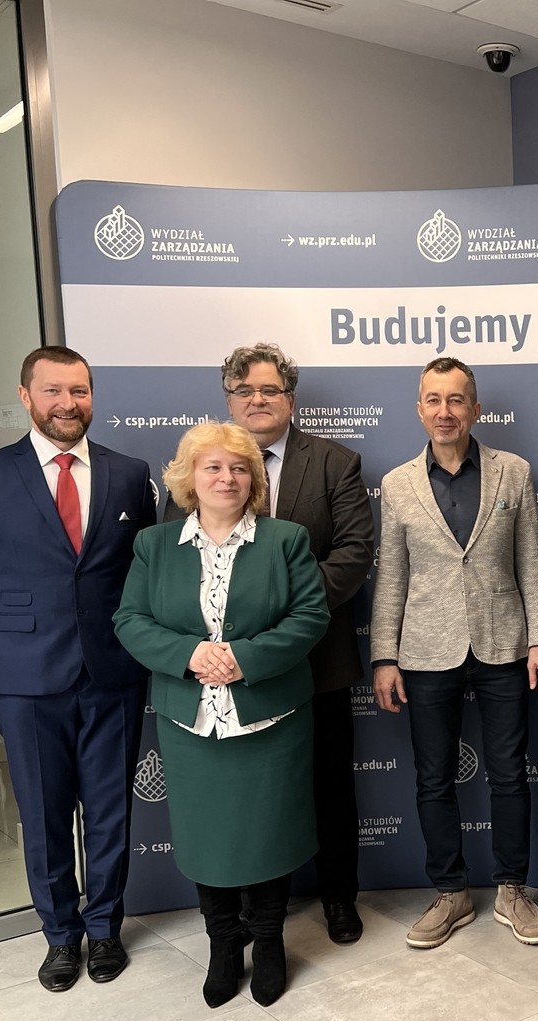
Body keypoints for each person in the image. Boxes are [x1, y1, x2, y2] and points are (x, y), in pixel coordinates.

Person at [0, 346, 155, 992]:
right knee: (42, 811)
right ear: (26, 396)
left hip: (113, 672)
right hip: (25, 679)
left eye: (80, 391)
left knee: (111, 811)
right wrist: (9, 641)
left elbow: (144, 571)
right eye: (54, 391)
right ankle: (61, 935)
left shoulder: (129, 474)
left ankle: (105, 927)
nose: (68, 404)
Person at [164, 343, 374, 945]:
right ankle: (242, 916)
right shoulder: (199, 464)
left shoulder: (335, 462)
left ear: (291, 399)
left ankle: (338, 898)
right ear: (229, 400)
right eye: (244, 391)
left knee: (329, 784)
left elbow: (354, 553)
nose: (257, 400)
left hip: (317, 657)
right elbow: (176, 565)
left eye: (270, 390)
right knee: (239, 794)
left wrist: (281, 613)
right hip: (221, 670)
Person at [115, 421, 329, 1008]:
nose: (226, 478)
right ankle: (223, 945)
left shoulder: (285, 540)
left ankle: (270, 942)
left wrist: (244, 658)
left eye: (239, 468)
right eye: (212, 467)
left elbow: (310, 617)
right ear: (190, 478)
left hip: (270, 718)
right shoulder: (154, 545)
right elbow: (130, 620)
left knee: (270, 834)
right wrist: (189, 654)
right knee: (206, 840)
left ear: (254, 479)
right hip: (191, 724)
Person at [371, 357, 538, 950]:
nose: (444, 411)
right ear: (419, 409)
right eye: (434, 400)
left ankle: (512, 888)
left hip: (503, 642)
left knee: (509, 773)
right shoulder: (398, 484)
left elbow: (532, 563)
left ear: (475, 409)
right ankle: (450, 892)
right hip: (425, 649)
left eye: (455, 400)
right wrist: (384, 656)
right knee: (433, 778)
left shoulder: (513, 472)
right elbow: (391, 576)